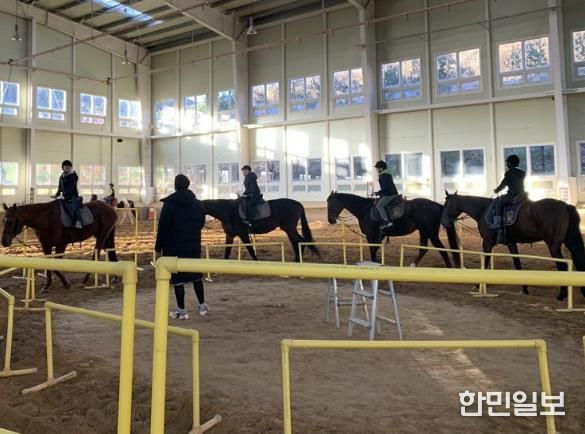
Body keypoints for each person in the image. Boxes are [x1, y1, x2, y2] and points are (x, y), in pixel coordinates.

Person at [155, 174, 208, 319]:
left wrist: (158, 247)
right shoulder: (198, 204)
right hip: (193, 245)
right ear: (188, 184)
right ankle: (202, 306)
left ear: (175, 185)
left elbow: (163, 228)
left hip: (174, 247)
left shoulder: (170, 204)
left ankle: (182, 310)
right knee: (196, 276)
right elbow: (201, 223)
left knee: (178, 280)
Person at [491, 154, 526, 234]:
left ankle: (497, 223)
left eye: (507, 163)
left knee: (498, 203)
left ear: (509, 163)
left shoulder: (509, 173)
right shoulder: (523, 172)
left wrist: (497, 190)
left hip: (512, 195)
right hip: (522, 194)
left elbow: (504, 184)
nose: (507, 164)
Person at [53, 160, 82, 229]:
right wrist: (57, 194)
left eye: (69, 167)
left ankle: (77, 222)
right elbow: (60, 187)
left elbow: (70, 188)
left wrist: (65, 196)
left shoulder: (73, 176)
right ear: (63, 168)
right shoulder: (61, 176)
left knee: (74, 208)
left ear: (71, 168)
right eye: (66, 167)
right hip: (65, 196)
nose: (67, 168)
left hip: (73, 196)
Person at [373, 160, 399, 230]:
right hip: (390, 193)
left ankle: (386, 222)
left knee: (379, 205)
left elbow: (386, 188)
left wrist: (378, 193)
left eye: (377, 168)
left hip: (390, 194)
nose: (377, 170)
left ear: (381, 168)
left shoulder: (383, 175)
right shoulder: (386, 174)